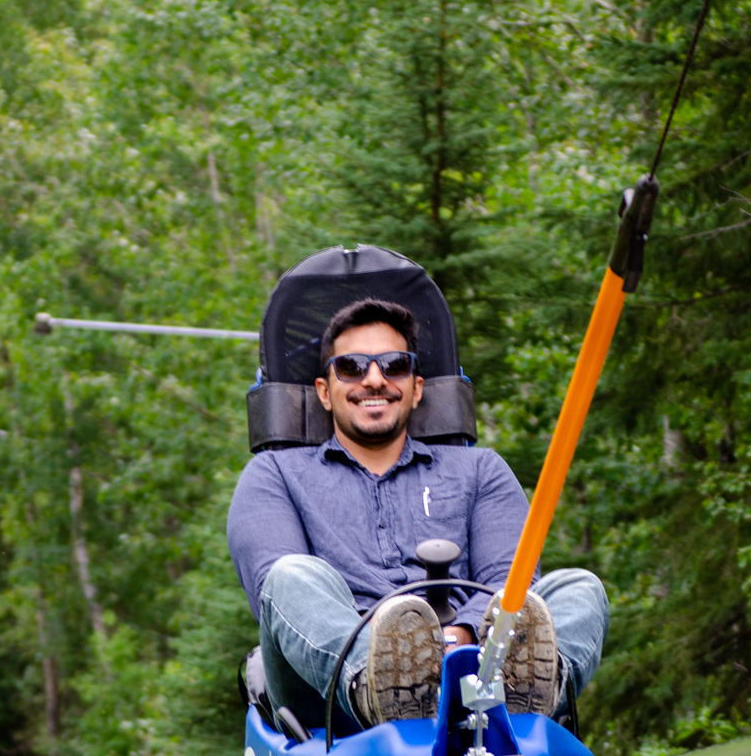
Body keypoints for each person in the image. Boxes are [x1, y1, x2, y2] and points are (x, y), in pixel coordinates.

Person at [227, 296, 608, 732]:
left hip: (477, 668)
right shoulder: (273, 474)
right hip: (331, 697)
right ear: (323, 391)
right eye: (351, 366)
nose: (374, 379)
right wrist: (388, 650)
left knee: (580, 588)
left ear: (417, 387)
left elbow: (509, 580)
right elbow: (274, 596)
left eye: (394, 365)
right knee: (289, 575)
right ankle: (379, 688)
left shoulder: (480, 470)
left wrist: (458, 637)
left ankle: (524, 705)